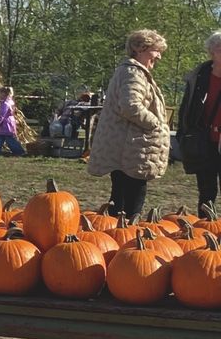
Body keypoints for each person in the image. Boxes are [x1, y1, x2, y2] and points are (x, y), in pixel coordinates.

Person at [87, 29, 170, 219]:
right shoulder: (134, 73)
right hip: (130, 148)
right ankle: (126, 237)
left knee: (121, 194)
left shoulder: (131, 71)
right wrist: (156, 124)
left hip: (126, 147)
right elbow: (131, 106)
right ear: (139, 48)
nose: (159, 56)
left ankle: (120, 234)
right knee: (131, 198)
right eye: (156, 50)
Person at [177, 31, 221, 217]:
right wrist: (184, 133)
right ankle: (206, 231)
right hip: (205, 141)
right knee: (206, 191)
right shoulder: (199, 77)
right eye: (220, 48)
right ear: (211, 52)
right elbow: (186, 108)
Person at [0, 87, 26, 156]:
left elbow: (1, 115)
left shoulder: (5, 103)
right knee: (8, 138)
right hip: (9, 122)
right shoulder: (10, 101)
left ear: (4, 94)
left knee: (1, 137)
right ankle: (19, 151)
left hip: (5, 124)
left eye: (0, 93)